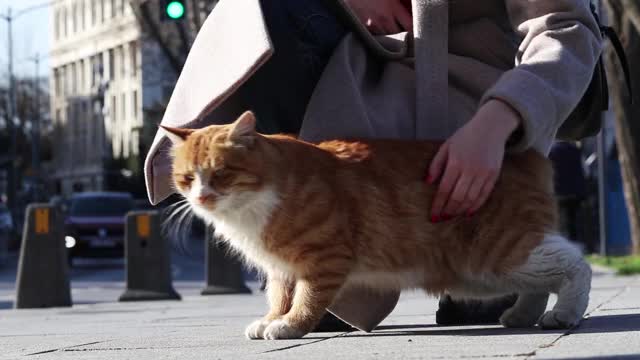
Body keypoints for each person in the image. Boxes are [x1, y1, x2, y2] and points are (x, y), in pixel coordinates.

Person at [145, 0, 603, 329]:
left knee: (488, 263)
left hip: (477, 95)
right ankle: (305, 268)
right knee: (256, 10)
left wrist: (496, 121)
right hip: (368, 72)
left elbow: (566, 28)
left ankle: (337, 275)